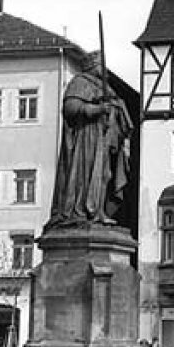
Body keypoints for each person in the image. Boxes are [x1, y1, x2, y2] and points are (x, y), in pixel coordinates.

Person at [45, 51, 133, 228]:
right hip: (87, 139)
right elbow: (70, 108)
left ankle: (99, 211)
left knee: (105, 176)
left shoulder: (106, 88)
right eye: (102, 65)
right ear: (93, 66)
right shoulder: (80, 82)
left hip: (104, 139)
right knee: (86, 175)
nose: (105, 69)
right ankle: (83, 211)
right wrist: (97, 109)